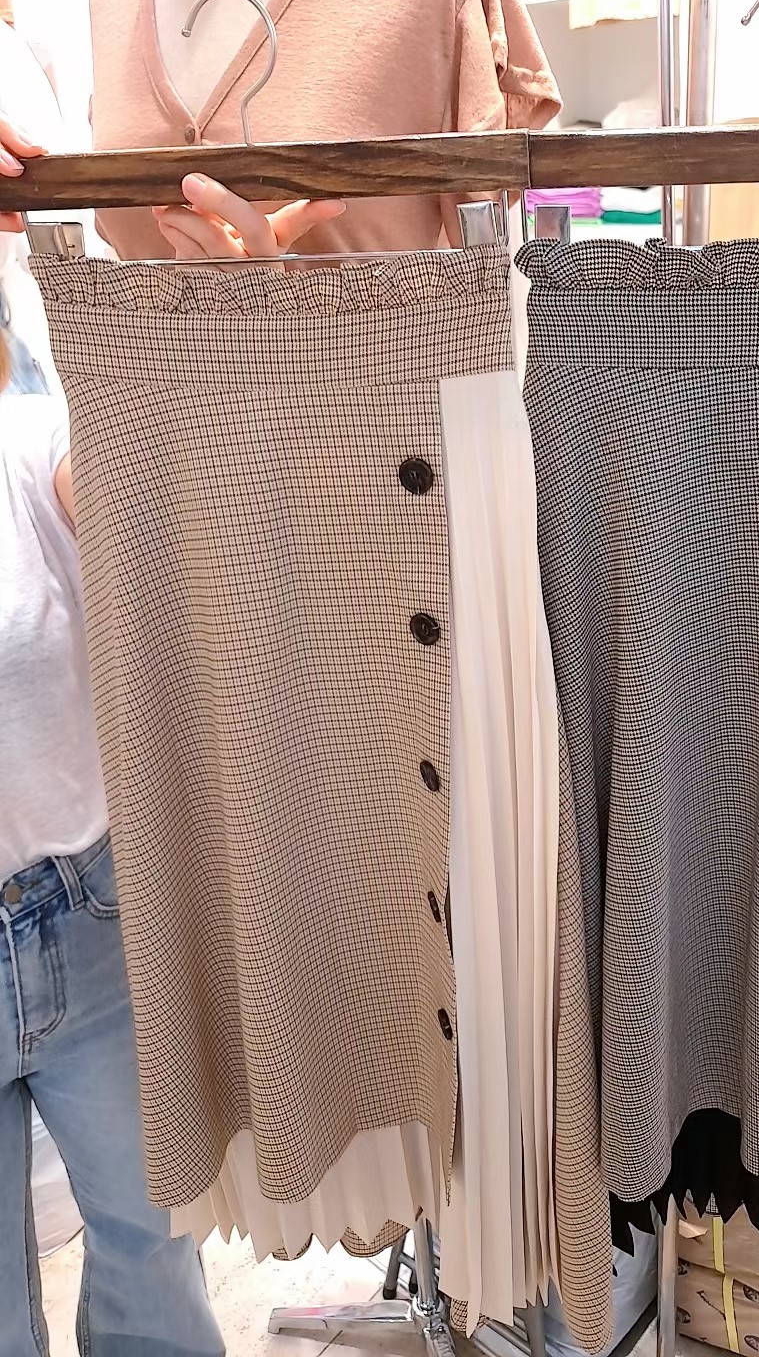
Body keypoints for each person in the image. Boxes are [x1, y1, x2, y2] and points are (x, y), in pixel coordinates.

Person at [0, 113, 337, 1355]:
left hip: (87, 917)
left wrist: (225, 324)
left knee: (156, 1263)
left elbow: (179, 499)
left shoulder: (31, 444)